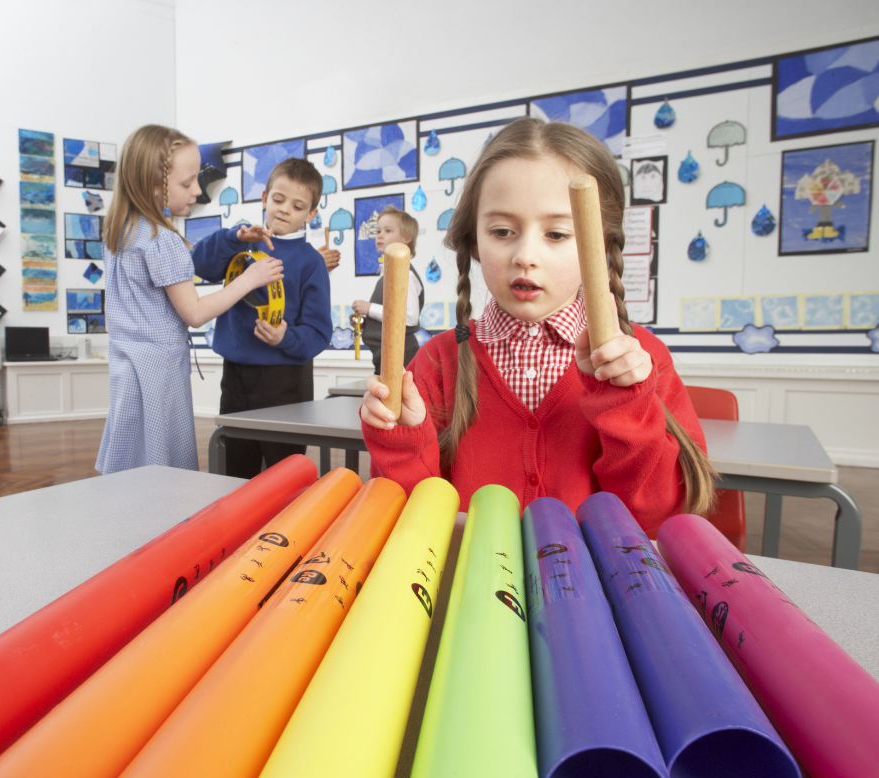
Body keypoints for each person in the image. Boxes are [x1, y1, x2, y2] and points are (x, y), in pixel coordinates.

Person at [359, 117, 714, 536]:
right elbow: (411, 527)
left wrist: (628, 406)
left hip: (597, 595)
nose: (525, 255)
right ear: (474, 239)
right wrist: (401, 439)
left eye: (558, 234)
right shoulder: (438, 361)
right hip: (469, 591)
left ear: (600, 242)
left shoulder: (642, 359)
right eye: (503, 231)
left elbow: (659, 522)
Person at [96, 125, 283, 474]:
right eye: (187, 183)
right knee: (162, 466)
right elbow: (195, 313)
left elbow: (186, 265)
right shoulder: (160, 239)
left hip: (127, 361)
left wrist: (235, 237)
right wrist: (249, 279)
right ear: (153, 186)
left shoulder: (121, 229)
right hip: (159, 367)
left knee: (132, 456)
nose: (197, 190)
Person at [193, 158, 332, 478]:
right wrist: (233, 238)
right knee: (235, 466)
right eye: (279, 200)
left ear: (311, 215)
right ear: (265, 197)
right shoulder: (241, 240)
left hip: (286, 379)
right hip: (236, 376)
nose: (284, 210)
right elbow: (199, 264)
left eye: (298, 206)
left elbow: (319, 331)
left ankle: (286, 527)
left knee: (285, 471)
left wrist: (286, 337)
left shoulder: (311, 262)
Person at [351, 206, 424, 375]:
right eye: (378, 231)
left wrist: (369, 308)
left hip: (400, 354)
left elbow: (410, 317)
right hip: (386, 354)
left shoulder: (404, 273)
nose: (380, 235)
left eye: (388, 230)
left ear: (407, 237)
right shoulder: (388, 274)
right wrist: (367, 320)